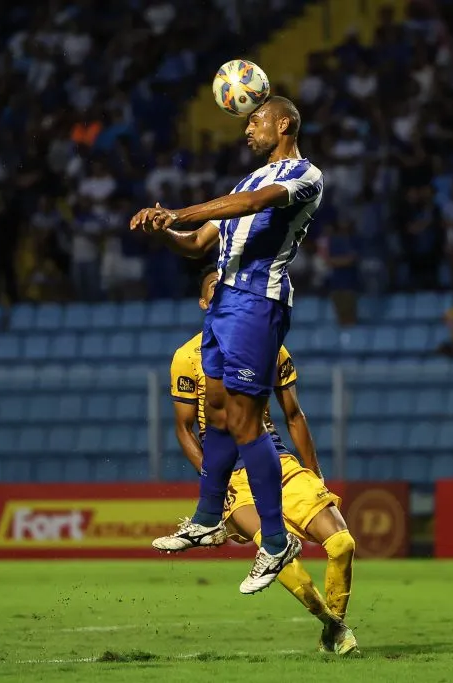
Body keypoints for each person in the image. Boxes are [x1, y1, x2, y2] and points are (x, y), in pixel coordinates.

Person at [130, 96, 322, 594]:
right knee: (214, 410)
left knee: (243, 420)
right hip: (224, 304)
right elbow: (198, 244)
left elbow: (255, 205)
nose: (247, 129)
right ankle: (207, 517)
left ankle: (275, 541)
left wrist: (179, 211)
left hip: (257, 302)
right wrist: (165, 229)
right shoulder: (243, 182)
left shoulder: (305, 175)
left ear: (284, 123)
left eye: (255, 121)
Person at [170, 267, 357, 655]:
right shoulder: (186, 358)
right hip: (234, 481)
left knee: (342, 544)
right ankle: (335, 629)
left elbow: (294, 415)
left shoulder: (269, 346)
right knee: (279, 555)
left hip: (278, 463)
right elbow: (185, 430)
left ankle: (332, 630)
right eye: (214, 288)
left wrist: (315, 475)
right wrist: (214, 485)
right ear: (204, 303)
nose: (222, 292)